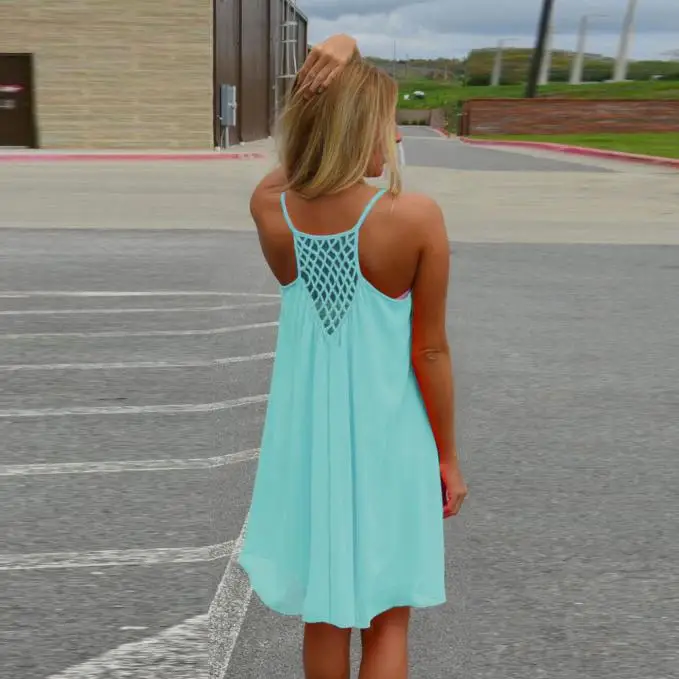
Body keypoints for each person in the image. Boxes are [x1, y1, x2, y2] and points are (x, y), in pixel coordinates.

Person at [238, 34, 467, 679]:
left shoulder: (273, 210)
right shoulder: (415, 216)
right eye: (386, 122)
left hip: (312, 451)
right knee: (389, 619)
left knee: (325, 616)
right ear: (358, 127)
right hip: (393, 444)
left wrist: (331, 64)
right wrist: (447, 456)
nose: (394, 137)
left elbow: (288, 169)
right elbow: (430, 349)